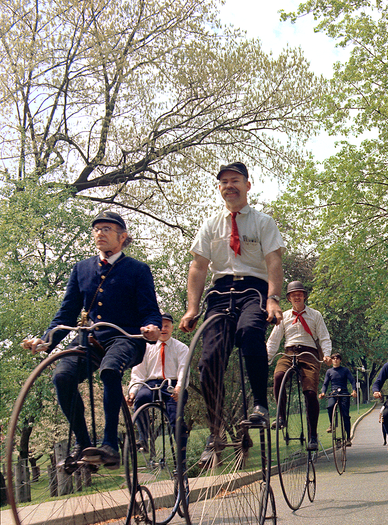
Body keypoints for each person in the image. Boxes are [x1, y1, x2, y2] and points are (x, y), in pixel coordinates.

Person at [23, 211, 162, 467]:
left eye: (107, 228)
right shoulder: (82, 268)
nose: (100, 233)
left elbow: (150, 310)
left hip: (125, 338)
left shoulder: (138, 270)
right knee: (62, 376)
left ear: (123, 237)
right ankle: (84, 443)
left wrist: (151, 327)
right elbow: (66, 313)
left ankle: (110, 444)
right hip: (90, 339)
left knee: (110, 371)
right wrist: (46, 341)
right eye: (97, 229)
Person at [178, 162, 284, 464]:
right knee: (208, 360)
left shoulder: (263, 222)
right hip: (220, 293)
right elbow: (198, 267)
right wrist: (192, 308)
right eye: (224, 182)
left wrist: (273, 299)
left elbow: (273, 261)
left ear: (247, 185)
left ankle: (261, 406)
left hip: (253, 290)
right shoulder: (211, 224)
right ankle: (216, 429)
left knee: (250, 333)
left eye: (235, 180)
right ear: (220, 188)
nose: (229, 186)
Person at [267, 280, 332, 451]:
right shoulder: (284, 316)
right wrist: (267, 357)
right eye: (293, 295)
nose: (297, 297)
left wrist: (326, 354)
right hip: (289, 353)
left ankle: (312, 435)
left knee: (310, 392)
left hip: (309, 354)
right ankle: (281, 417)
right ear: (289, 298)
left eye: (300, 294)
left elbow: (324, 336)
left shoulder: (315, 315)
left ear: (304, 296)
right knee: (278, 376)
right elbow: (274, 339)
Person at [126, 313, 190, 449]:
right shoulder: (145, 348)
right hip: (151, 384)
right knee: (140, 399)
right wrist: (132, 391)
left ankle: (181, 459)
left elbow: (183, 370)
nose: (163, 329)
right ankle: (143, 437)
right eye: (160, 326)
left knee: (176, 418)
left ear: (172, 328)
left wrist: (179, 387)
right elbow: (138, 374)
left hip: (172, 384)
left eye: (167, 326)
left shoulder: (181, 348)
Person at [319, 352, 357, 446]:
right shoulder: (329, 371)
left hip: (344, 393)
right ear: (331, 360)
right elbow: (325, 384)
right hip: (333, 393)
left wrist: (354, 390)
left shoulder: (345, 370)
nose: (335, 360)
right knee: (330, 406)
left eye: (337, 358)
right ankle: (332, 424)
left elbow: (352, 380)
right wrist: (323, 392)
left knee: (345, 416)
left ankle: (348, 438)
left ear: (340, 360)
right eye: (333, 358)